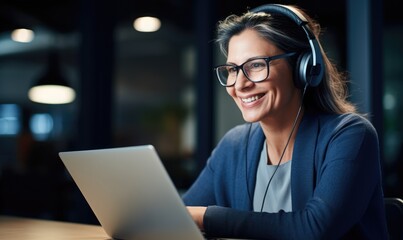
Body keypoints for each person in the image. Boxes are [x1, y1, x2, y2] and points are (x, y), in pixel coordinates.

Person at [182, 4, 389, 239]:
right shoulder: (235, 145)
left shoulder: (350, 135)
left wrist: (205, 217)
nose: (239, 85)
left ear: (303, 67)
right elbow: (177, 217)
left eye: (256, 65)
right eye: (232, 70)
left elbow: (314, 229)